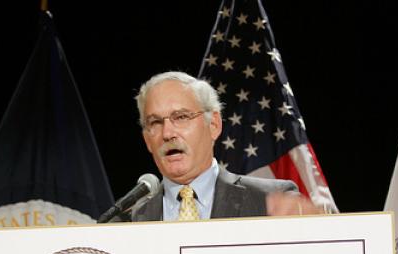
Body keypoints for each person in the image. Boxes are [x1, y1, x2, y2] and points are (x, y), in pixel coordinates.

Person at [110, 71, 323, 222]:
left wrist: (313, 231)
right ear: (147, 139)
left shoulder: (267, 202)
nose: (167, 133)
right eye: (155, 122)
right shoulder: (129, 220)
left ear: (213, 125)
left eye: (181, 117)